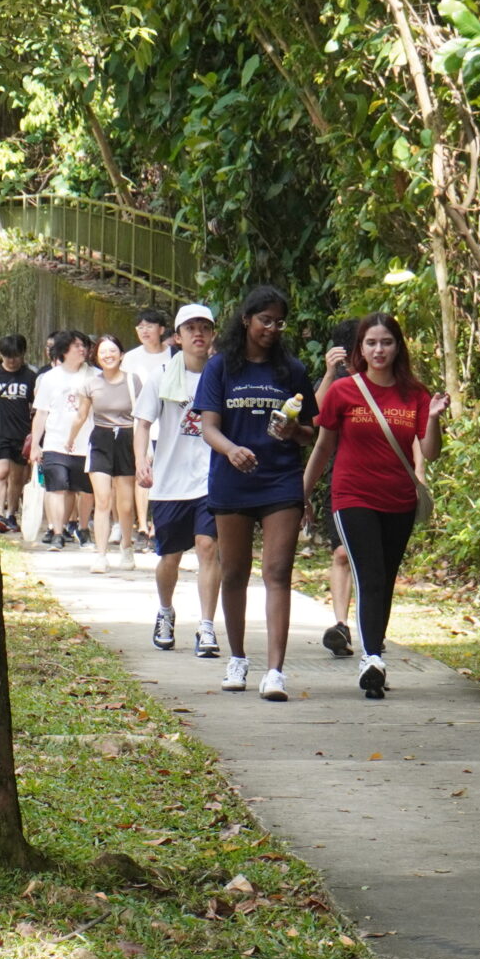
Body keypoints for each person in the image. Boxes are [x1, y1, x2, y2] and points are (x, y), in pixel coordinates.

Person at [305, 312, 448, 697]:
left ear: (398, 347)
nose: (379, 349)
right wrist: (302, 492)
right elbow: (323, 445)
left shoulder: (415, 394)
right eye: (371, 343)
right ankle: (372, 658)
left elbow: (430, 452)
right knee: (368, 573)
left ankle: (375, 650)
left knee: (384, 578)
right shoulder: (343, 391)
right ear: (360, 350)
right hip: (352, 496)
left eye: (386, 342)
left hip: (399, 498)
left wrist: (433, 418)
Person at [194, 286, 316, 700]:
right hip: (232, 479)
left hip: (280, 478)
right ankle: (239, 657)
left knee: (278, 571)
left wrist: (293, 430)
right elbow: (208, 426)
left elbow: (310, 433)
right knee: (234, 572)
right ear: (246, 319)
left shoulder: (292, 370)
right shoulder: (221, 368)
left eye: (279, 322)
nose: (272, 328)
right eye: (265, 319)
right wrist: (231, 450)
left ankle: (276, 671)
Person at [137, 302, 223, 656]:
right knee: (169, 557)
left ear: (213, 334)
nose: (198, 333)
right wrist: (142, 460)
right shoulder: (161, 376)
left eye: (204, 327)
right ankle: (166, 611)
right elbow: (142, 423)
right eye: (190, 328)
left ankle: (206, 627)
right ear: (178, 336)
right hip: (170, 481)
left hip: (211, 478)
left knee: (208, 548)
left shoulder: (222, 376)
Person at [313, 320, 361, 658]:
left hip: (380, 481)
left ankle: (373, 625)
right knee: (342, 553)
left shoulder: (387, 383)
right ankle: (341, 626)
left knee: (375, 561)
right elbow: (310, 420)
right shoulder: (334, 385)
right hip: (341, 481)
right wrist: (330, 374)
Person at [76, 336, 143, 571]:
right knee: (103, 499)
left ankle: (126, 547)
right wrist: (69, 439)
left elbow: (142, 417)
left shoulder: (133, 381)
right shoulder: (90, 384)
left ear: (121, 354)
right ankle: (101, 554)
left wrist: (144, 450)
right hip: (101, 439)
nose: (108, 355)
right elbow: (81, 415)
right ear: (97, 356)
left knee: (124, 504)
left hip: (126, 439)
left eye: (113, 350)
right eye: (103, 352)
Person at [32, 330, 98, 549]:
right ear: (64, 350)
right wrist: (35, 444)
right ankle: (58, 532)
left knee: (85, 491)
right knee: (57, 487)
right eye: (76, 345)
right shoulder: (50, 378)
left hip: (86, 443)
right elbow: (41, 413)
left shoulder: (95, 376)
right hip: (55, 441)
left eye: (84, 345)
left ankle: (83, 528)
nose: (82, 349)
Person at [127, 306, 174, 547]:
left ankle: (158, 524)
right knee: (142, 471)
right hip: (140, 423)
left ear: (162, 329)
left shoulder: (173, 356)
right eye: (140, 326)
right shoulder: (131, 358)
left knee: (163, 473)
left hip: (167, 423)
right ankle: (142, 525)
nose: (144, 330)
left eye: (150, 326)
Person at [0, 334, 37, 535]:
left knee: (17, 476)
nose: (12, 360)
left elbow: (36, 405)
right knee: (1, 471)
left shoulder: (29, 377)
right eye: (8, 356)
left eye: (16, 356)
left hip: (22, 432)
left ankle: (11, 513)